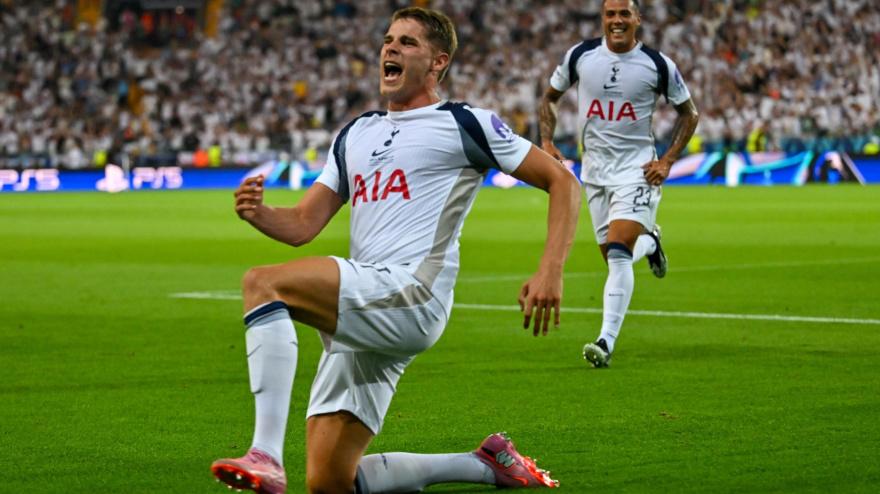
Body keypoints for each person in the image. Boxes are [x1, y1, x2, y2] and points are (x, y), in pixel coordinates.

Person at [211, 7, 581, 493]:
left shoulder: (464, 122)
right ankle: (485, 463)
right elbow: (303, 224)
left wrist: (551, 268)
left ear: (437, 63)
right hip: (366, 305)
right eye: (388, 39)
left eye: (407, 42)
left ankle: (265, 454)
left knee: (263, 283)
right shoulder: (355, 133)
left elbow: (562, 181)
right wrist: (261, 214)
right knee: (328, 483)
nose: (390, 48)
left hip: (411, 293)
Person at [538, 0, 699, 368]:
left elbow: (689, 113)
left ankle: (605, 342)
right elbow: (550, 98)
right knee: (615, 256)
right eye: (610, 13)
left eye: (624, 13)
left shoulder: (657, 65)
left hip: (637, 171)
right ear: (603, 18)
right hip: (594, 175)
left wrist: (667, 160)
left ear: (637, 19)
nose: (617, 20)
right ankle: (652, 241)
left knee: (617, 251)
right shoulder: (581, 56)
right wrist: (546, 142)